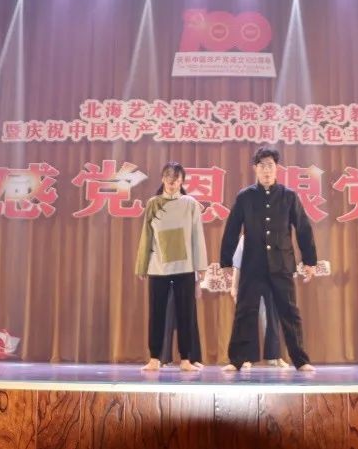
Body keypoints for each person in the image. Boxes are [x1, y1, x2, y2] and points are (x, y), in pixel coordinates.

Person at [220, 147, 319, 372]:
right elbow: (232, 229)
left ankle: (301, 360)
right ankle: (237, 359)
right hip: (253, 264)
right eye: (262, 166)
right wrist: (226, 261)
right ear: (255, 169)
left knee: (289, 312)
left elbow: (303, 228)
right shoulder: (245, 197)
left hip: (281, 263)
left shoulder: (288, 196)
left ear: (277, 168)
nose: (267, 170)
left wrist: (310, 261)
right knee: (245, 311)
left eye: (270, 166)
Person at [135, 162, 207, 372]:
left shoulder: (190, 203)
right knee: (156, 313)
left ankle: (186, 359)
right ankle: (154, 358)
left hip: (185, 267)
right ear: (162, 178)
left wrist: (200, 266)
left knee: (186, 314)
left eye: (176, 177)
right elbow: (146, 236)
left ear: (182, 181)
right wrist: (142, 265)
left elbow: (197, 235)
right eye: (168, 176)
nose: (172, 181)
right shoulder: (153, 203)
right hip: (158, 267)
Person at [231, 236, 287, 368]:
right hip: (250, 281)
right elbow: (237, 264)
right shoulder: (245, 237)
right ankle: (247, 357)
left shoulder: (275, 233)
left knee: (272, 318)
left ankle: (274, 356)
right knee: (249, 318)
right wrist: (234, 287)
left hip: (271, 281)